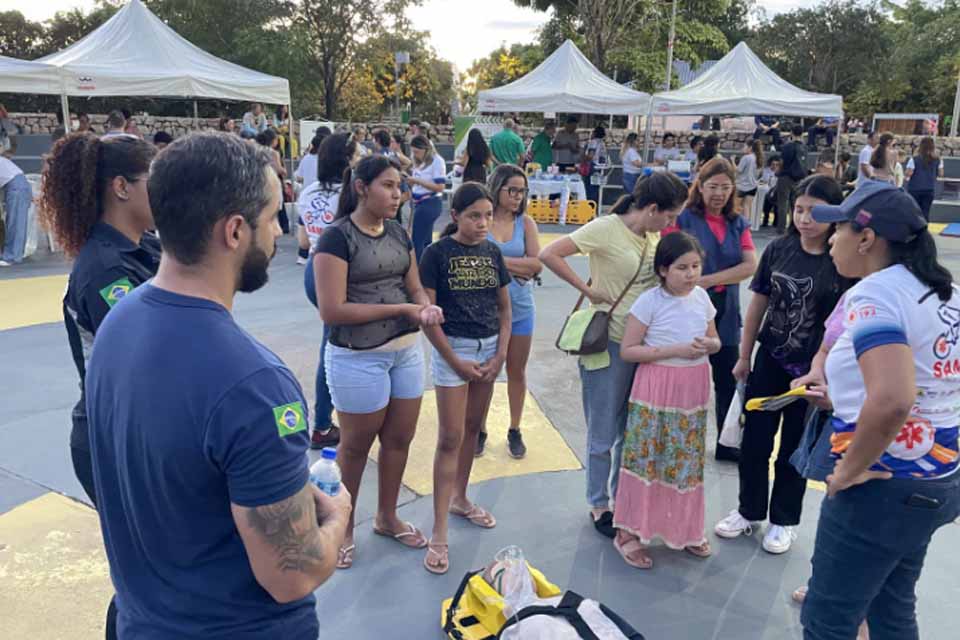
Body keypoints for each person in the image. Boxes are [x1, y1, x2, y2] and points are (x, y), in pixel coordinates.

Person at [85, 131, 351, 640]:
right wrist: (337, 516)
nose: (277, 233)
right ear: (234, 231)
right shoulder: (254, 386)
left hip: (143, 620)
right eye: (272, 218)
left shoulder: (119, 321)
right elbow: (291, 574)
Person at [800, 180, 960, 640]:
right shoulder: (940, 291)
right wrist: (843, 397)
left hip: (880, 483)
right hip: (933, 476)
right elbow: (930, 382)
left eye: (839, 230)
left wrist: (849, 470)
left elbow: (893, 398)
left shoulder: (877, 294)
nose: (830, 239)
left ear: (867, 239)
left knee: (828, 620)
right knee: (891, 608)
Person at [35, 132, 159, 636]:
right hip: (114, 437)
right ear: (122, 188)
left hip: (141, 428)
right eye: (155, 180)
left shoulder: (143, 245)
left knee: (162, 562)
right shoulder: (105, 268)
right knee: (144, 574)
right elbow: (148, 355)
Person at [540, 173, 689, 538]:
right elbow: (549, 253)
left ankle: (624, 497)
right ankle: (598, 502)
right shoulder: (606, 229)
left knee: (630, 429)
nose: (671, 224)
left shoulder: (652, 236)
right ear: (653, 209)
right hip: (607, 343)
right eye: (669, 216)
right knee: (603, 429)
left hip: (640, 346)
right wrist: (588, 290)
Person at [315, 154, 443, 570]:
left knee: (399, 441)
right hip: (357, 358)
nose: (398, 194)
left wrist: (423, 306)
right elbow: (332, 311)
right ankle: (343, 527)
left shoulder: (398, 233)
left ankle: (387, 517)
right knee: (354, 448)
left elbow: (414, 286)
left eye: (400, 186)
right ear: (361, 187)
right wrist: (403, 310)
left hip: (404, 352)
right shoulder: (336, 238)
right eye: (388, 185)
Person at [715, 175, 851, 554]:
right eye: (799, 209)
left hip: (812, 373)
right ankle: (749, 511)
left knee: (795, 448)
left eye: (815, 211)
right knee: (755, 442)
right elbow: (757, 302)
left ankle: (783, 520)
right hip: (770, 360)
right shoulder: (778, 249)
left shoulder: (843, 259)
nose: (805, 218)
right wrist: (744, 356)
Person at [613, 231, 720, 568]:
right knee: (646, 456)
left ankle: (685, 527)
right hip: (656, 387)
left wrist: (709, 346)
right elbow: (628, 350)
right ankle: (629, 532)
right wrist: (675, 350)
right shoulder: (649, 301)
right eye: (682, 267)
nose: (690, 274)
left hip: (693, 388)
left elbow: (715, 339)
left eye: (695, 266)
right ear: (662, 269)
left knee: (685, 460)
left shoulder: (702, 297)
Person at [419, 182, 511, 574]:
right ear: (455, 216)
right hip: (453, 350)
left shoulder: (492, 252)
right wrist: (453, 360)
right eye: (474, 215)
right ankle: (439, 532)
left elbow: (505, 309)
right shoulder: (436, 254)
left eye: (488, 215)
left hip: (489, 350)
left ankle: (461, 497)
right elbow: (428, 314)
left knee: (474, 428)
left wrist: (501, 353)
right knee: (450, 437)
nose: (483, 223)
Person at [670, 157, 758, 463]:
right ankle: (679, 440)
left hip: (726, 306)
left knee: (728, 378)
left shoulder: (738, 222)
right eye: (712, 186)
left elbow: (749, 265)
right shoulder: (685, 219)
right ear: (700, 186)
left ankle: (727, 441)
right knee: (684, 372)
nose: (718, 193)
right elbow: (668, 257)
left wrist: (707, 279)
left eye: (725, 187)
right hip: (688, 306)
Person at [298, 133, 359, 450]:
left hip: (312, 268)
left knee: (333, 341)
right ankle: (323, 424)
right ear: (347, 159)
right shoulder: (352, 193)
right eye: (357, 152)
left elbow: (304, 241)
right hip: (339, 271)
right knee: (335, 349)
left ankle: (328, 420)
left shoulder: (308, 191)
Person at [482, 164, 541, 459]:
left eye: (522, 191)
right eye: (512, 190)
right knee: (486, 373)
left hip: (520, 309)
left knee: (516, 370)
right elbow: (474, 256)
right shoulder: (484, 219)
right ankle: (479, 427)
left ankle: (514, 428)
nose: (518, 196)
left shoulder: (526, 223)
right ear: (497, 188)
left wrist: (495, 263)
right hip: (485, 310)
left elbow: (536, 265)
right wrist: (516, 266)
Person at [407, 134, 447, 261]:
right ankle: (425, 267)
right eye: (413, 152)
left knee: (417, 240)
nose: (415, 155)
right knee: (425, 240)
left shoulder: (437, 161)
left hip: (429, 202)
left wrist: (417, 181)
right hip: (421, 202)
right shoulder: (420, 161)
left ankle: (416, 269)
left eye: (417, 152)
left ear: (426, 149)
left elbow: (440, 187)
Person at [0, 156, 32, 266]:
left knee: (15, 223)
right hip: (19, 186)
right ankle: (15, 254)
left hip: (16, 188)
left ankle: (12, 256)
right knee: (17, 222)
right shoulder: (2, 160)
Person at [775, 125, 808, 231]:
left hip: (785, 176)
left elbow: (782, 162)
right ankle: (794, 226)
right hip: (799, 178)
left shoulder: (787, 146)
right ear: (802, 133)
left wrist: (778, 171)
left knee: (783, 203)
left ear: (791, 132)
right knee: (795, 203)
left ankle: (781, 227)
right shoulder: (804, 147)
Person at [256, 128, 289, 234]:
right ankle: (284, 225)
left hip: (261, 178)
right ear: (273, 140)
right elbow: (278, 168)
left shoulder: (257, 150)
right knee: (279, 203)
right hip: (273, 178)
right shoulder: (274, 153)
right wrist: (284, 171)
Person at [905, 136, 944, 220]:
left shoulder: (914, 159)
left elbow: (909, 173)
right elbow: (941, 173)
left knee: (914, 211)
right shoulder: (938, 159)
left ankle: (913, 229)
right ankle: (924, 229)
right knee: (925, 211)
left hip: (915, 188)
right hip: (929, 188)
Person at [736, 139, 764, 219]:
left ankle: (736, 224)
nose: (743, 148)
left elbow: (739, 170)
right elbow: (760, 174)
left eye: (745, 146)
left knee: (736, 206)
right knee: (747, 207)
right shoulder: (759, 158)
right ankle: (746, 225)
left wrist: (732, 162)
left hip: (742, 186)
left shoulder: (746, 158)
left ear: (750, 147)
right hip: (753, 186)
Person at [583, 126, 608, 203]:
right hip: (600, 167)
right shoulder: (602, 143)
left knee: (589, 188)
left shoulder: (593, 142)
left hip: (592, 167)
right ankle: (595, 206)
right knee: (596, 188)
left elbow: (590, 156)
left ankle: (589, 206)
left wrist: (582, 156)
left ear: (595, 133)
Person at [760, 155, 782, 227]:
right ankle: (765, 220)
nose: (775, 166)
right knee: (766, 207)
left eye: (776, 165)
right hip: (767, 192)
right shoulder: (766, 171)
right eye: (773, 164)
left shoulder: (781, 173)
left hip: (777, 192)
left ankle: (776, 222)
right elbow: (763, 181)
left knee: (777, 208)